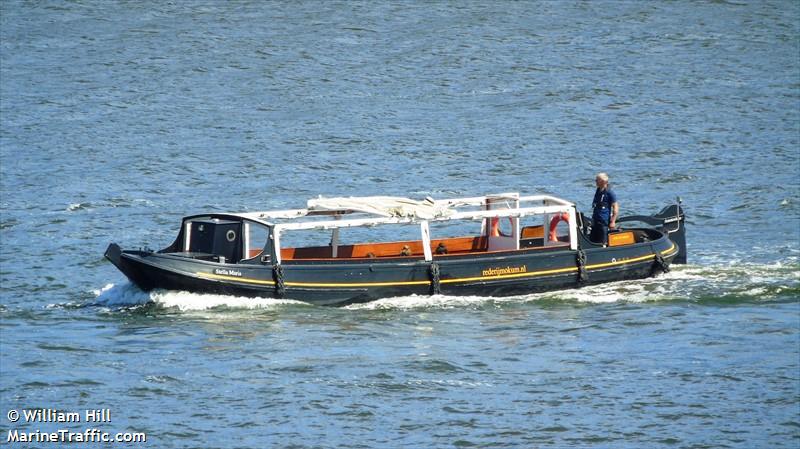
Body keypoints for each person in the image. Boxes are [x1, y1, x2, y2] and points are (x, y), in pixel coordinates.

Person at [590, 172, 619, 246]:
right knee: (593, 239)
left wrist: (613, 221)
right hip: (596, 219)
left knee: (603, 240)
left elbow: (615, 207)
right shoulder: (598, 190)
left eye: (597, 180)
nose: (595, 181)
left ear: (602, 182)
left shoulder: (609, 192)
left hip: (603, 220)